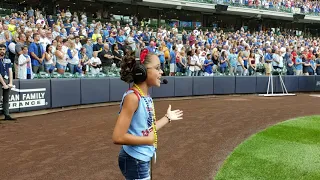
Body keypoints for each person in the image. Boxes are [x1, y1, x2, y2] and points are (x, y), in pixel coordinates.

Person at [112, 52, 183, 180]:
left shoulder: (145, 97)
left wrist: (167, 118)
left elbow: (148, 129)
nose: (161, 72)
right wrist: (148, 140)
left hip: (140, 157)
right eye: (157, 68)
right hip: (135, 159)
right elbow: (118, 136)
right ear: (142, 71)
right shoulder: (132, 98)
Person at [0, 44, 16, 121]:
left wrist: (10, 82)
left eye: (3, 49)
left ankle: (7, 114)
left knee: (6, 99)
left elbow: (10, 71)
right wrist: (4, 84)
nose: (2, 51)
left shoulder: (8, 59)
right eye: (0, 49)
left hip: (6, 80)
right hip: (1, 80)